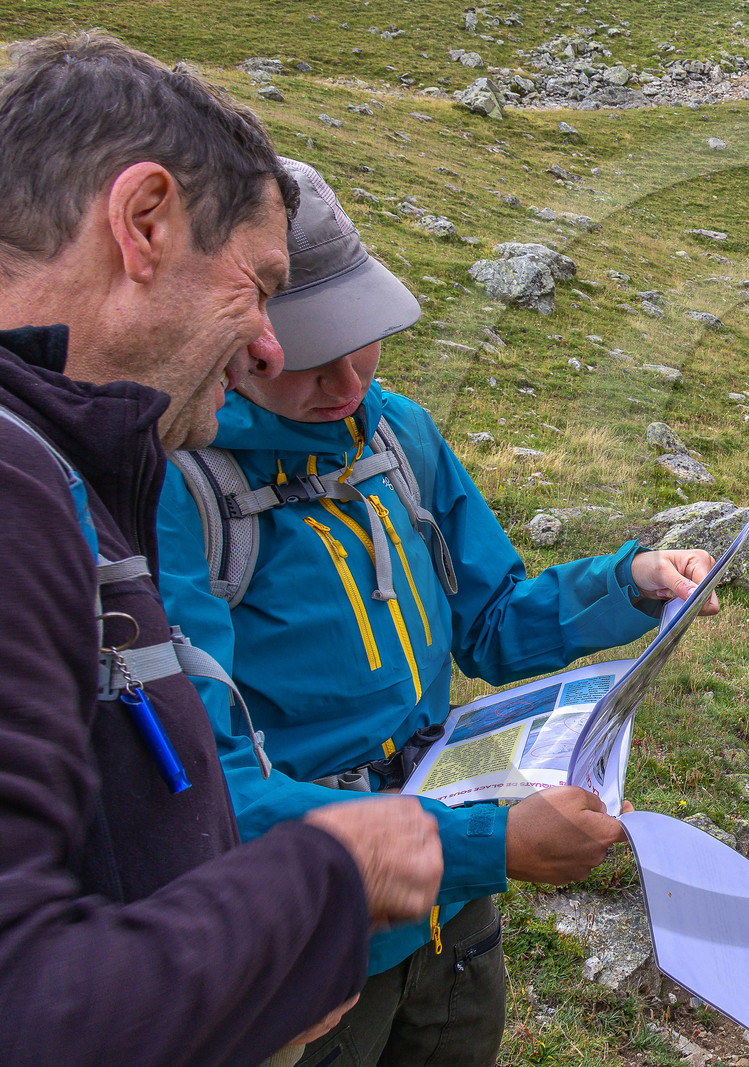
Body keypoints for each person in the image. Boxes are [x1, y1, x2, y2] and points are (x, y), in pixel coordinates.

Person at [156, 158, 720, 1066]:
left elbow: (492, 619)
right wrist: (488, 845)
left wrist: (635, 578)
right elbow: (215, 798)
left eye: (363, 335)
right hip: (313, 935)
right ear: (236, 331)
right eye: (306, 352)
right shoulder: (177, 494)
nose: (344, 378)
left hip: (454, 927)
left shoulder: (399, 436)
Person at [0, 33, 445, 1066]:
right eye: (255, 283)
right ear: (143, 223)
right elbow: (27, 1011)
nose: (270, 349)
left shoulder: (67, 470)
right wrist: (327, 876)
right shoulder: (16, 490)